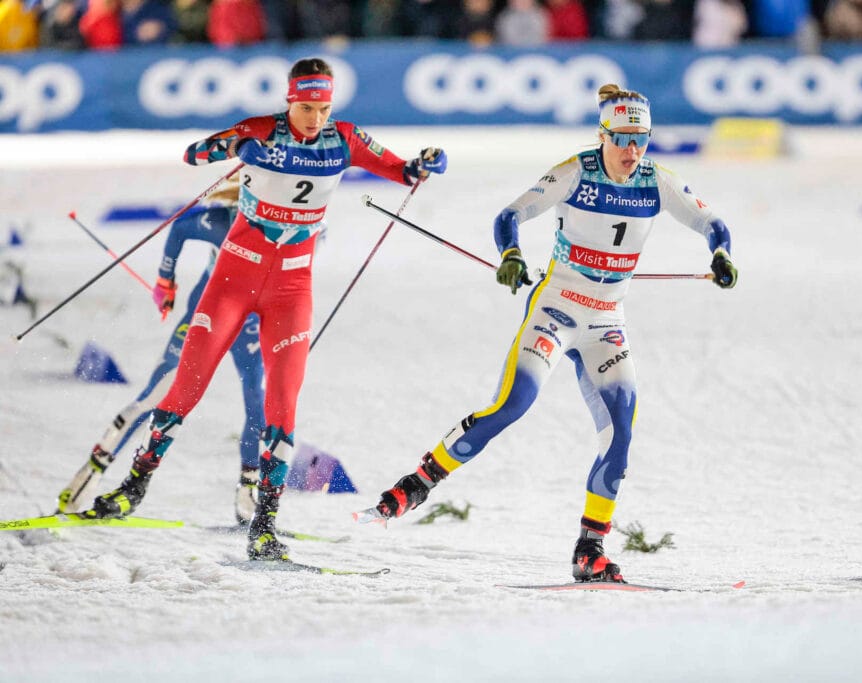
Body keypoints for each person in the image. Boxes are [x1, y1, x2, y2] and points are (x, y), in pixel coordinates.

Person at [356, 83, 737, 583]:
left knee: (621, 432)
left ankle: (589, 549)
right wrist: (511, 254)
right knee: (512, 405)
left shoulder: (657, 181)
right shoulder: (575, 172)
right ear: (603, 134)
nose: (632, 151)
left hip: (606, 321)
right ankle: (416, 484)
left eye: (641, 139)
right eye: (622, 138)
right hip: (556, 308)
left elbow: (712, 222)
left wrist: (720, 253)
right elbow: (510, 215)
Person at [87, 57, 447, 563]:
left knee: (282, 403)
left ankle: (264, 524)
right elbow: (194, 154)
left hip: (291, 289)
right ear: (289, 100)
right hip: (233, 279)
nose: (315, 118)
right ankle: (133, 487)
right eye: (306, 107)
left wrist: (426, 163)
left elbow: (402, 171)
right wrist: (237, 147)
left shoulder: (344, 139)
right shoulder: (261, 129)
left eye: (323, 108)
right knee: (186, 388)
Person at [57, 177, 266, 527]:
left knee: (259, 405)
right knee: (154, 397)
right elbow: (180, 228)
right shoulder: (223, 221)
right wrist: (165, 281)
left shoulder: (301, 226)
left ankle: (249, 503)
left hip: (250, 327)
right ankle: (88, 477)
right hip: (204, 319)